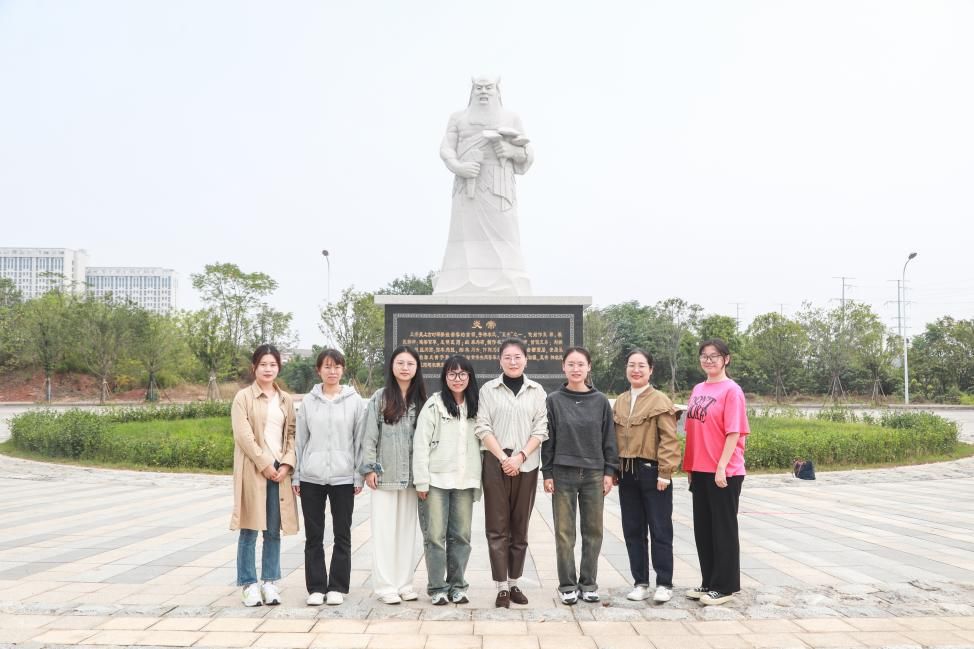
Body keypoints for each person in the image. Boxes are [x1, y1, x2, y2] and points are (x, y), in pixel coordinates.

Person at [434, 75, 535, 295]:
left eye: (488, 87)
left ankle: (509, 279)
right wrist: (458, 166)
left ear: (497, 91)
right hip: (467, 183)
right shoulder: (458, 118)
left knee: (505, 233)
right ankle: (458, 280)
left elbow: (528, 153)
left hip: (499, 184)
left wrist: (512, 151)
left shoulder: (511, 117)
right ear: (471, 91)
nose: (483, 92)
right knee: (463, 236)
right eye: (478, 88)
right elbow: (446, 147)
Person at [541, 347, 618, 605]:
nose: (576, 369)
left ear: (589, 367)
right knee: (564, 533)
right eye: (571, 364)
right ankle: (567, 585)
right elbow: (548, 439)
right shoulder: (553, 400)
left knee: (593, 531)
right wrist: (547, 472)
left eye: (580, 364)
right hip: (562, 473)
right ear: (563, 367)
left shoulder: (600, 401)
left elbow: (609, 438)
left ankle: (588, 583)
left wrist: (609, 471)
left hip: (594, 474)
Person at [475, 337, 548, 608]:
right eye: (507, 357)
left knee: (520, 526)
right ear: (500, 360)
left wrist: (520, 457)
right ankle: (501, 587)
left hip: (526, 465)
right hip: (495, 464)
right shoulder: (488, 390)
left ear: (526, 360)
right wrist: (505, 458)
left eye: (517, 357)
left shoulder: (537, 391)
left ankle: (515, 582)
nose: (513, 361)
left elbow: (541, 429)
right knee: (497, 527)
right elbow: (482, 426)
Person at [292, 349, 365, 607]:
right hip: (311, 477)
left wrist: (358, 475)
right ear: (318, 370)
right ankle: (315, 587)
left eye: (337, 367)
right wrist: (297, 475)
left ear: (343, 370)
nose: (332, 371)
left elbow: (359, 440)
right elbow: (300, 440)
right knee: (314, 535)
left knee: (342, 534)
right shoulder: (308, 402)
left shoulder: (355, 401)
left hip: (344, 477)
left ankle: (336, 586)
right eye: (327, 366)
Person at [230, 344, 299, 607]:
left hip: (279, 473)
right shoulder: (243, 398)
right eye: (263, 365)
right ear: (254, 367)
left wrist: (287, 464)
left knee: (272, 531)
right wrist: (264, 463)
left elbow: (291, 434)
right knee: (249, 530)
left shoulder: (285, 399)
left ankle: (270, 582)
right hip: (253, 471)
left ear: (279, 367)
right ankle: (248, 584)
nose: (268, 369)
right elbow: (243, 435)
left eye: (273, 364)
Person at [683, 338, 750, 606]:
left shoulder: (732, 391)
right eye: (704, 356)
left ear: (726, 359)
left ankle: (725, 586)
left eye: (714, 356)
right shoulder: (698, 388)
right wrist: (690, 466)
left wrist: (721, 466)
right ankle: (709, 581)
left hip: (724, 471)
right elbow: (693, 430)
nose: (709, 360)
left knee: (723, 529)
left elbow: (734, 431)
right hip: (700, 469)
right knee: (704, 529)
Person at [612, 349, 681, 604]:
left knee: (660, 529)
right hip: (626, 472)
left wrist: (665, 472)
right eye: (631, 365)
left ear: (650, 370)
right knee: (633, 530)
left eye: (641, 365)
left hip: (653, 472)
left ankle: (664, 583)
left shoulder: (660, 400)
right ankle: (640, 582)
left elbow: (669, 439)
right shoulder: (620, 401)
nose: (636, 370)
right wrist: (613, 469)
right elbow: (613, 438)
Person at [360, 345, 427, 604]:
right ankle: (386, 586)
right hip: (385, 475)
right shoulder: (381, 397)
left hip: (411, 478)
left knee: (407, 533)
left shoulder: (421, 400)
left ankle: (404, 584)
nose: (405, 368)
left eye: (410, 363)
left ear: (417, 368)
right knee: (384, 532)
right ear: (392, 366)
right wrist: (369, 468)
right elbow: (369, 436)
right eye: (400, 363)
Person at [413, 355, 482, 605]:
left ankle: (458, 586)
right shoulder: (434, 405)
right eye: (452, 374)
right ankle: (437, 588)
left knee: (461, 536)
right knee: (434, 536)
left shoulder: (477, 406)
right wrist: (421, 481)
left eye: (462, 374)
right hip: (436, 482)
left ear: (470, 377)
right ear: (445, 377)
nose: (457, 378)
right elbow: (420, 444)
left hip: (464, 481)